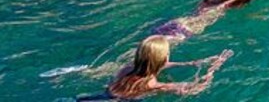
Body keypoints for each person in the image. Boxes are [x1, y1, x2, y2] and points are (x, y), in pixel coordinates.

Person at [81, 37, 230, 99]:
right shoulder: (153, 85)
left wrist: (192, 63)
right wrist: (213, 69)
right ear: (164, 58)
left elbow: (153, 64)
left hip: (97, 97)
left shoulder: (127, 69)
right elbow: (195, 88)